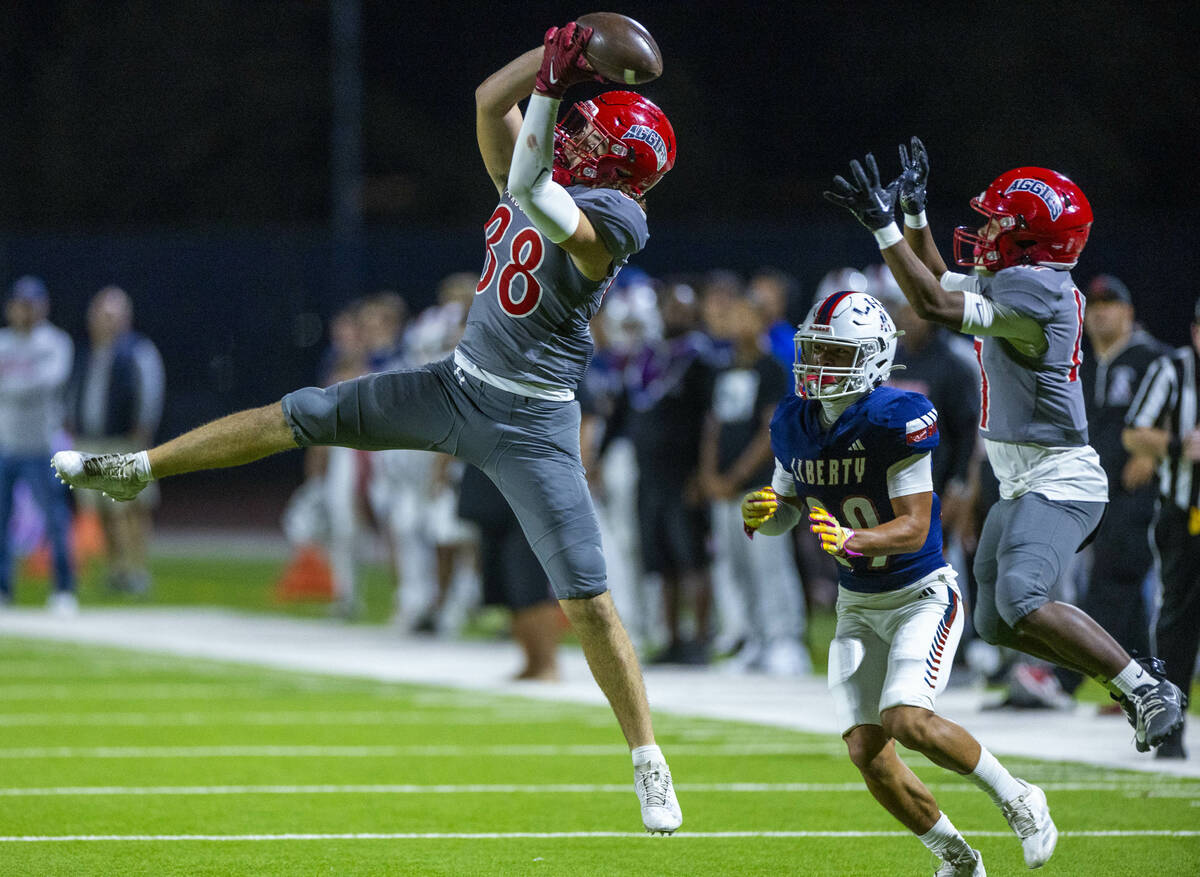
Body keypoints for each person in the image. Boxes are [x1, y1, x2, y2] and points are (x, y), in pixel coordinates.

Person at [51, 22, 681, 832]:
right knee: (298, 414)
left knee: (589, 599)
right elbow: (490, 103)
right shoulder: (545, 172)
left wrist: (558, 85)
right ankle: (141, 467)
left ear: (620, 164)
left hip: (532, 423)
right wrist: (554, 50)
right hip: (454, 388)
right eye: (577, 120)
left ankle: (648, 759)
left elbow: (534, 194)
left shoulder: (618, 221)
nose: (573, 132)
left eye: (591, 132)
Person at [822, 136, 1186, 752]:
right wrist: (912, 215)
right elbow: (939, 278)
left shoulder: (1035, 292)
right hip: (1021, 475)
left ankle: (1143, 687)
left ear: (1031, 237)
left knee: (1022, 596)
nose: (986, 229)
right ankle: (1121, 680)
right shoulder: (1022, 279)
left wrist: (882, 228)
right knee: (993, 620)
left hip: (1058, 475)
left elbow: (933, 302)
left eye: (999, 221)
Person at [742, 290, 1055, 876]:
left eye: (834, 355)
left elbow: (914, 529)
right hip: (858, 603)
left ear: (872, 358)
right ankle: (958, 860)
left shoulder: (896, 419)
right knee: (866, 749)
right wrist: (765, 511)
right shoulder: (793, 420)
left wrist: (853, 540)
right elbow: (787, 508)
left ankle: (1019, 797)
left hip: (921, 594)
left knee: (907, 720)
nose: (818, 367)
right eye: (815, 352)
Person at [1043, 275, 1165, 703]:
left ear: (1129, 312)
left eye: (1110, 303)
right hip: (1094, 492)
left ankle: (1065, 680)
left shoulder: (1154, 359)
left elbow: (1184, 403)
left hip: (1142, 494)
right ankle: (1148, 684)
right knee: (1125, 593)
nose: (1100, 311)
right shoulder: (1082, 361)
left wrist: (1156, 449)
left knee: (1110, 581)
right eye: (1094, 304)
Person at [700, 294, 808, 675]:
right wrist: (709, 473)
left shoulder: (772, 369)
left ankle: (785, 641)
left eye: (743, 315)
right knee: (733, 565)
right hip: (725, 489)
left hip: (761, 485)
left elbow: (769, 431)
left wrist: (735, 477)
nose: (734, 322)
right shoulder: (725, 368)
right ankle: (750, 639)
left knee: (769, 564)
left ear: (760, 322)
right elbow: (714, 426)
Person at [1122, 298, 1200, 759]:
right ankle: (1169, 728)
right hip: (1184, 516)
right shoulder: (1174, 370)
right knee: (1178, 622)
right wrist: (1177, 444)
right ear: (1193, 331)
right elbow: (1134, 432)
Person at [627, 280, 719, 664]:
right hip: (649, 474)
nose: (675, 315)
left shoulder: (701, 359)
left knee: (693, 558)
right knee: (660, 559)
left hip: (685, 473)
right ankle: (671, 638)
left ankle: (699, 639)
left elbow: (711, 420)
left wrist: (702, 472)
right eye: (670, 307)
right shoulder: (647, 357)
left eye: (683, 309)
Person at [66, 286, 165, 596]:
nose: (103, 321)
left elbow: (151, 392)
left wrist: (143, 432)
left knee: (130, 509)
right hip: (91, 441)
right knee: (103, 512)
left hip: (124, 441)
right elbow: (72, 394)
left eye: (110, 315)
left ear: (125, 318)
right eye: (99, 315)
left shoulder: (136, 350)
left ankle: (136, 570)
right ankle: (116, 570)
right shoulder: (86, 352)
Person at [0, 276, 76, 613]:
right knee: (1, 521)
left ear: (43, 306)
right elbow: (32, 383)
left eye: (32, 304)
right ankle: (3, 588)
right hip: (5, 444)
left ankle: (63, 589)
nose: (26, 311)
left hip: (43, 445)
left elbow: (49, 381)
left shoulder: (55, 342)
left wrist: (11, 385)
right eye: (21, 303)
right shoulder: (2, 343)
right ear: (11, 307)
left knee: (56, 520)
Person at [458, 465, 562, 680]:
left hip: (527, 487)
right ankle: (532, 661)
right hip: (491, 485)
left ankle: (548, 662)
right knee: (508, 584)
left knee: (530, 580)